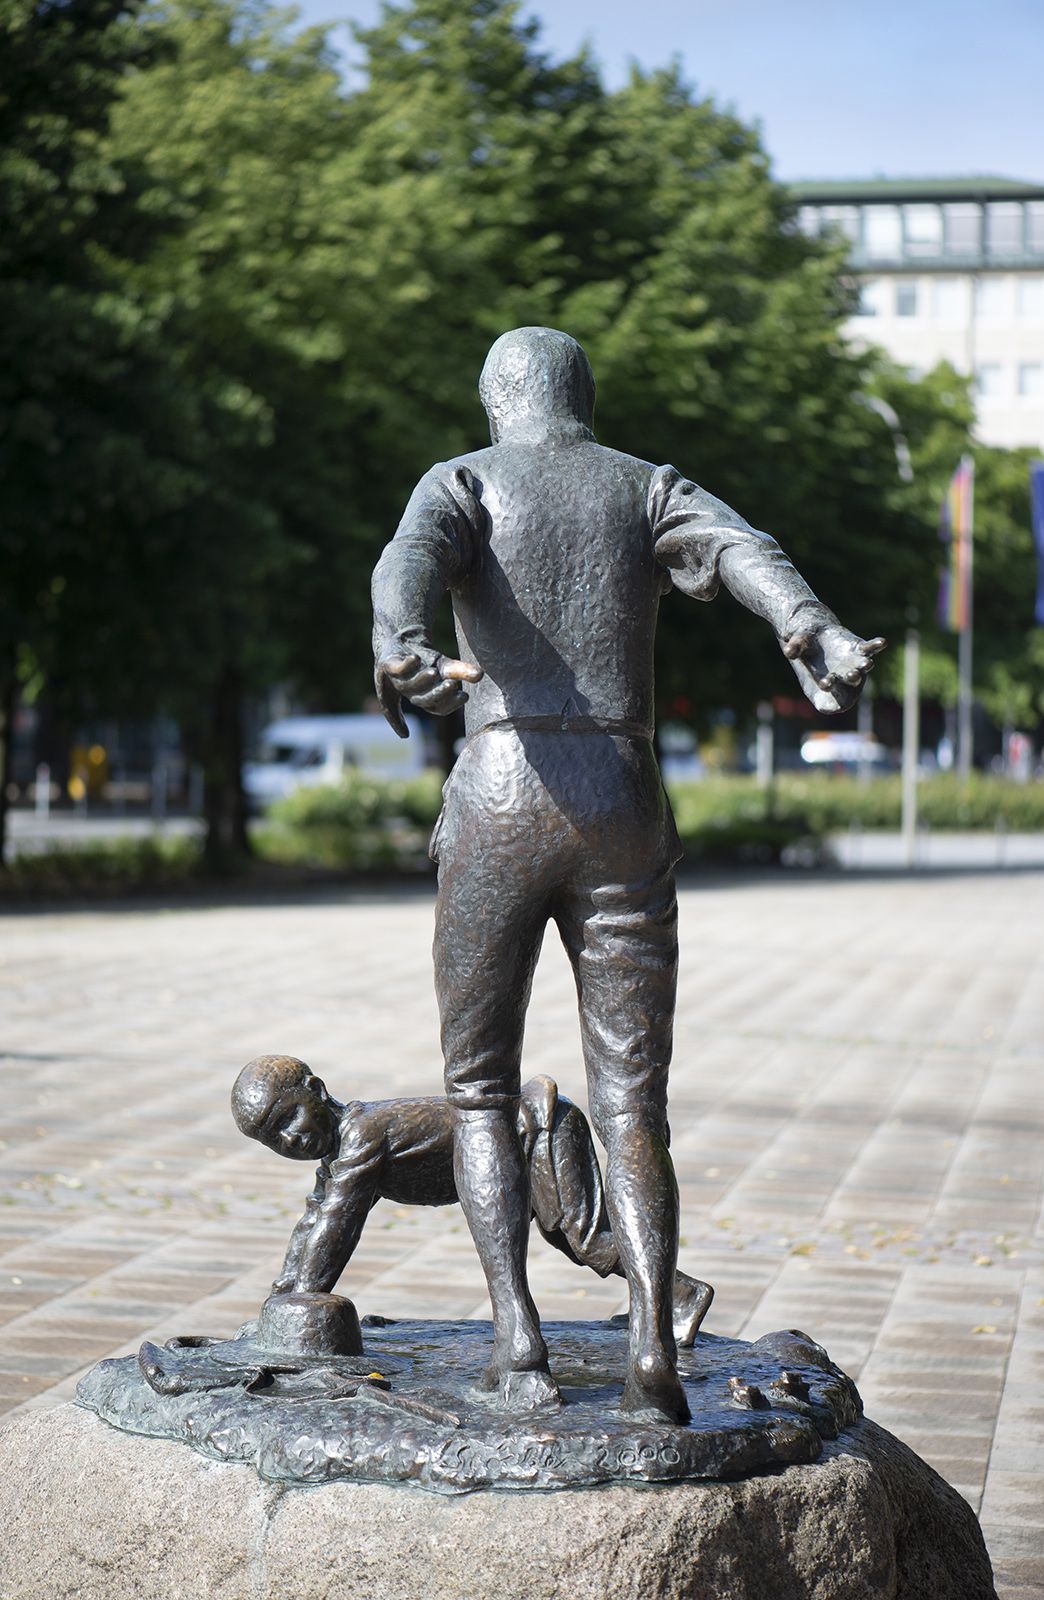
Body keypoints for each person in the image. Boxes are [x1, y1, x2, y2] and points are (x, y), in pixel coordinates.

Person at [371, 326, 884, 1421]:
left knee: (477, 1090)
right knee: (630, 1097)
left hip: (504, 782)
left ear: (495, 401)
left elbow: (405, 561)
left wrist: (403, 639)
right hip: (621, 792)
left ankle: (520, 1346)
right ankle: (653, 1335)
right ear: (583, 401)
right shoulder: (644, 486)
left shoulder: (461, 480)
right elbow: (748, 548)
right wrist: (815, 629)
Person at [231, 1053, 715, 1347]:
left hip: (536, 1130)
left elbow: (337, 1226)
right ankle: (661, 1298)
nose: (288, 1140)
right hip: (517, 1138)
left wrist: (301, 1302)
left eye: (287, 1119)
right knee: (571, 1238)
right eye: (272, 1138)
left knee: (581, 1236)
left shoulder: (362, 1135)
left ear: (316, 1091)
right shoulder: (339, 1155)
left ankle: (679, 1296)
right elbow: (313, 1223)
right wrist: (280, 1302)